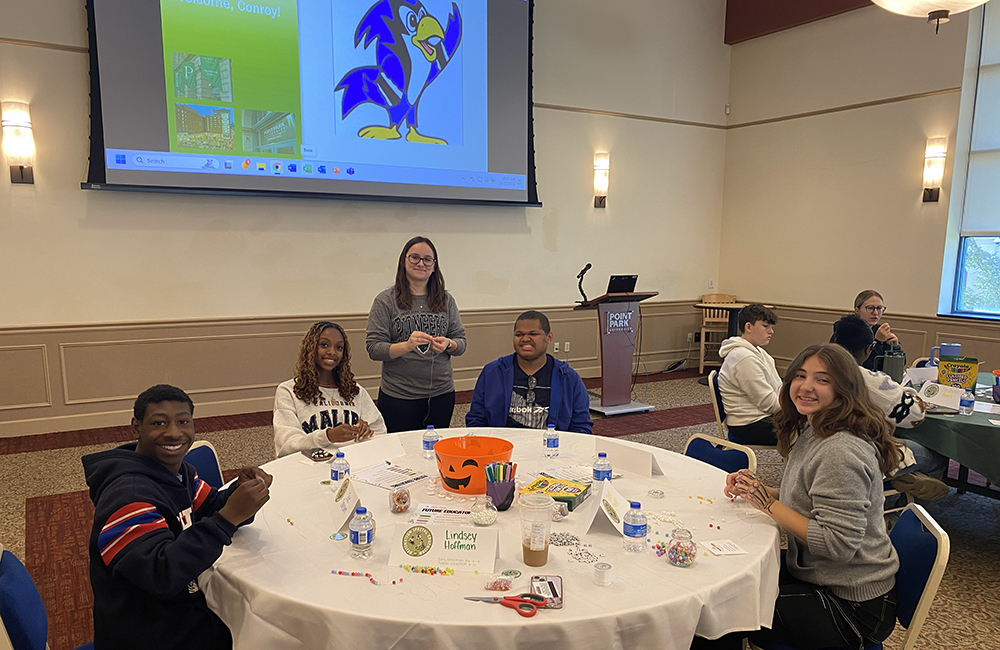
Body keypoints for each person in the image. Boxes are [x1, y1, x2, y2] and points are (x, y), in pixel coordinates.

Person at [724, 344, 901, 650]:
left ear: (844, 389)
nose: (806, 387)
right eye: (801, 376)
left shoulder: (839, 450)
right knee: (728, 577)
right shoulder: (817, 428)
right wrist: (760, 492)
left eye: (822, 379)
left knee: (719, 613)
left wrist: (768, 504)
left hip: (852, 606)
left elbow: (837, 544)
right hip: (819, 575)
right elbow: (810, 502)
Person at [83, 384, 272, 650]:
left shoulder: (181, 473)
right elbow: (161, 576)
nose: (174, 433)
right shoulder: (128, 496)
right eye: (159, 423)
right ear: (136, 427)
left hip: (180, 605)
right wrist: (228, 517)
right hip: (148, 630)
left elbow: (211, 507)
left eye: (183, 421)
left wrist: (237, 493)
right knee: (268, 633)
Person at [832, 314, 949, 499]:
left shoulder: (809, 373)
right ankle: (904, 510)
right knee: (937, 456)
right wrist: (909, 393)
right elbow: (914, 417)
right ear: (870, 349)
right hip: (861, 453)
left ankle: (897, 480)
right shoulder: (869, 381)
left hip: (820, 446)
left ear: (835, 341)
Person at [366, 236, 467, 432]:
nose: (421, 263)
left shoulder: (446, 300)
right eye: (414, 258)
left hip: (441, 393)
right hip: (399, 396)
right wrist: (406, 346)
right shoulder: (385, 300)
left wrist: (448, 344)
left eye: (427, 259)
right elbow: (373, 348)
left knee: (435, 449)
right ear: (403, 261)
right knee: (401, 452)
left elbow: (461, 342)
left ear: (434, 265)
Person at [466, 310, 593, 433]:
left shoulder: (568, 377)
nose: (525, 339)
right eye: (519, 334)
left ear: (549, 337)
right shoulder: (492, 373)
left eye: (533, 334)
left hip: (551, 449)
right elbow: (476, 419)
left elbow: (581, 426)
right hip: (504, 448)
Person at [273, 321, 387, 457]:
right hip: (309, 465)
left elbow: (380, 432)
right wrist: (327, 436)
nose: (332, 352)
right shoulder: (288, 391)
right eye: (324, 345)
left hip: (352, 462)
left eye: (339, 347)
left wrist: (366, 432)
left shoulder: (355, 391)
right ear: (311, 348)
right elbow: (286, 444)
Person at [717, 304, 780, 445]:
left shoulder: (758, 352)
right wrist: (796, 408)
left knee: (812, 425)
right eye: (765, 326)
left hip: (759, 417)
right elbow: (768, 404)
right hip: (748, 424)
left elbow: (778, 389)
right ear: (748, 327)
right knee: (808, 433)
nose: (771, 331)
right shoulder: (744, 358)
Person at [836, 290, 904, 372]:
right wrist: (877, 341)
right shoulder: (846, 330)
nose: (875, 313)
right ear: (857, 310)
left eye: (879, 308)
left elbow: (896, 367)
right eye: (870, 308)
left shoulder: (879, 330)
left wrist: (896, 347)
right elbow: (863, 365)